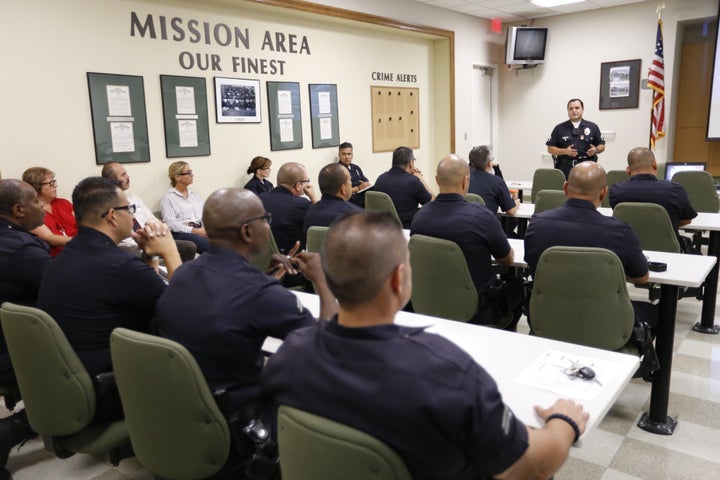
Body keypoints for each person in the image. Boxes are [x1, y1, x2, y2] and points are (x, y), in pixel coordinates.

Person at [262, 210, 589, 480]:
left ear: (328, 277)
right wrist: (564, 424)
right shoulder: (445, 372)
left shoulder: (289, 355)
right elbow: (531, 466)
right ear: (398, 278)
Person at [156, 188, 337, 413]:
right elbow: (327, 347)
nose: (268, 226)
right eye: (265, 219)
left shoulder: (183, 273)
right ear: (247, 231)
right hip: (245, 418)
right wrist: (323, 280)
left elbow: (230, 305)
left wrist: (263, 279)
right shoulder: (260, 292)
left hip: (187, 409)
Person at [38, 177, 181, 385]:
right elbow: (184, 312)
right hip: (114, 381)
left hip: (70, 378)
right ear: (112, 216)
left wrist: (149, 255)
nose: (133, 215)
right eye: (129, 208)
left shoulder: (67, 255)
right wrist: (170, 251)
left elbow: (145, 292)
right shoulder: (120, 267)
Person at [524, 162, 657, 346]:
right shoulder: (620, 232)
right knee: (654, 312)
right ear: (603, 193)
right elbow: (642, 278)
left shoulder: (537, 225)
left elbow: (533, 265)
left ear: (565, 188)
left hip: (545, 317)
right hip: (606, 323)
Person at [411, 154, 521, 327]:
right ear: (465, 181)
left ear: (437, 180)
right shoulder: (482, 217)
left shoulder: (419, 218)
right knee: (517, 286)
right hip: (476, 308)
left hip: (429, 302)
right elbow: (507, 260)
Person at [0, 179, 47, 479]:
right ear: (19, 210)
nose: (42, 206)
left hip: (8, 338)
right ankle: (13, 430)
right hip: (14, 348)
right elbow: (63, 291)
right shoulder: (21, 249)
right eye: (36, 202)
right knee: (98, 353)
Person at [101, 162, 197, 262]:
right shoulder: (107, 206)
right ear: (112, 181)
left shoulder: (134, 199)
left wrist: (153, 232)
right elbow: (121, 240)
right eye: (123, 175)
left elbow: (152, 219)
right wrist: (141, 241)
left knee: (189, 247)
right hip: (131, 246)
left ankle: (176, 275)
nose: (128, 177)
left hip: (151, 238)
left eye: (126, 173)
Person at [609, 147, 697, 251]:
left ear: (628, 170)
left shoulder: (616, 191)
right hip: (668, 250)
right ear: (654, 164)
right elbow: (687, 220)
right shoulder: (675, 190)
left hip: (628, 249)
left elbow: (621, 217)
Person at [259, 162, 318, 254]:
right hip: (291, 261)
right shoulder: (302, 205)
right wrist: (314, 198)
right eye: (307, 181)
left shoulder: (258, 199)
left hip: (261, 258)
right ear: (298, 186)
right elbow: (320, 222)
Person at [22, 167, 78, 257]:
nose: (55, 185)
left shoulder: (63, 203)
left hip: (80, 249)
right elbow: (50, 238)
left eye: (54, 181)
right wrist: (83, 243)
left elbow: (82, 222)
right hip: (59, 257)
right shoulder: (30, 212)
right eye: (50, 183)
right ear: (36, 187)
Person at [374, 146, 434, 228]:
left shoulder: (380, 178)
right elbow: (434, 203)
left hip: (384, 227)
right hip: (406, 228)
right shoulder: (412, 181)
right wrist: (421, 179)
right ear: (410, 163)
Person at [546, 98, 605, 179]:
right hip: (565, 169)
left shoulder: (592, 127)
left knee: (587, 191)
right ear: (568, 111)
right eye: (571, 109)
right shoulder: (559, 128)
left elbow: (602, 145)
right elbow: (550, 149)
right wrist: (565, 151)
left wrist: (596, 150)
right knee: (566, 191)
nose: (574, 110)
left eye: (577, 108)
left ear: (582, 109)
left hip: (587, 168)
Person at [160, 161, 209, 253]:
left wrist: (208, 229)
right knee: (209, 246)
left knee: (225, 241)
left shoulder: (195, 196)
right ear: (177, 177)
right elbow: (170, 224)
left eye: (191, 172)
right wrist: (194, 231)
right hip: (182, 233)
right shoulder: (167, 198)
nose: (192, 175)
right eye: (188, 173)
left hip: (200, 229)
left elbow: (204, 216)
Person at [303, 163, 361, 237]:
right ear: (343, 189)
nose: (351, 183)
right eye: (350, 180)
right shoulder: (356, 216)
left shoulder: (309, 214)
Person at [468, 145, 520, 215]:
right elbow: (510, 211)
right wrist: (516, 203)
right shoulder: (496, 181)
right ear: (489, 164)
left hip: (464, 223)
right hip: (487, 223)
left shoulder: (463, 180)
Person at [337, 142, 371, 207]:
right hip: (348, 201)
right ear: (339, 155)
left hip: (361, 197)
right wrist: (358, 188)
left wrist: (366, 185)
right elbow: (339, 192)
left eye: (349, 154)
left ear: (352, 155)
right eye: (344, 154)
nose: (346, 157)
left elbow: (365, 181)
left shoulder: (356, 168)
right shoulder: (337, 170)